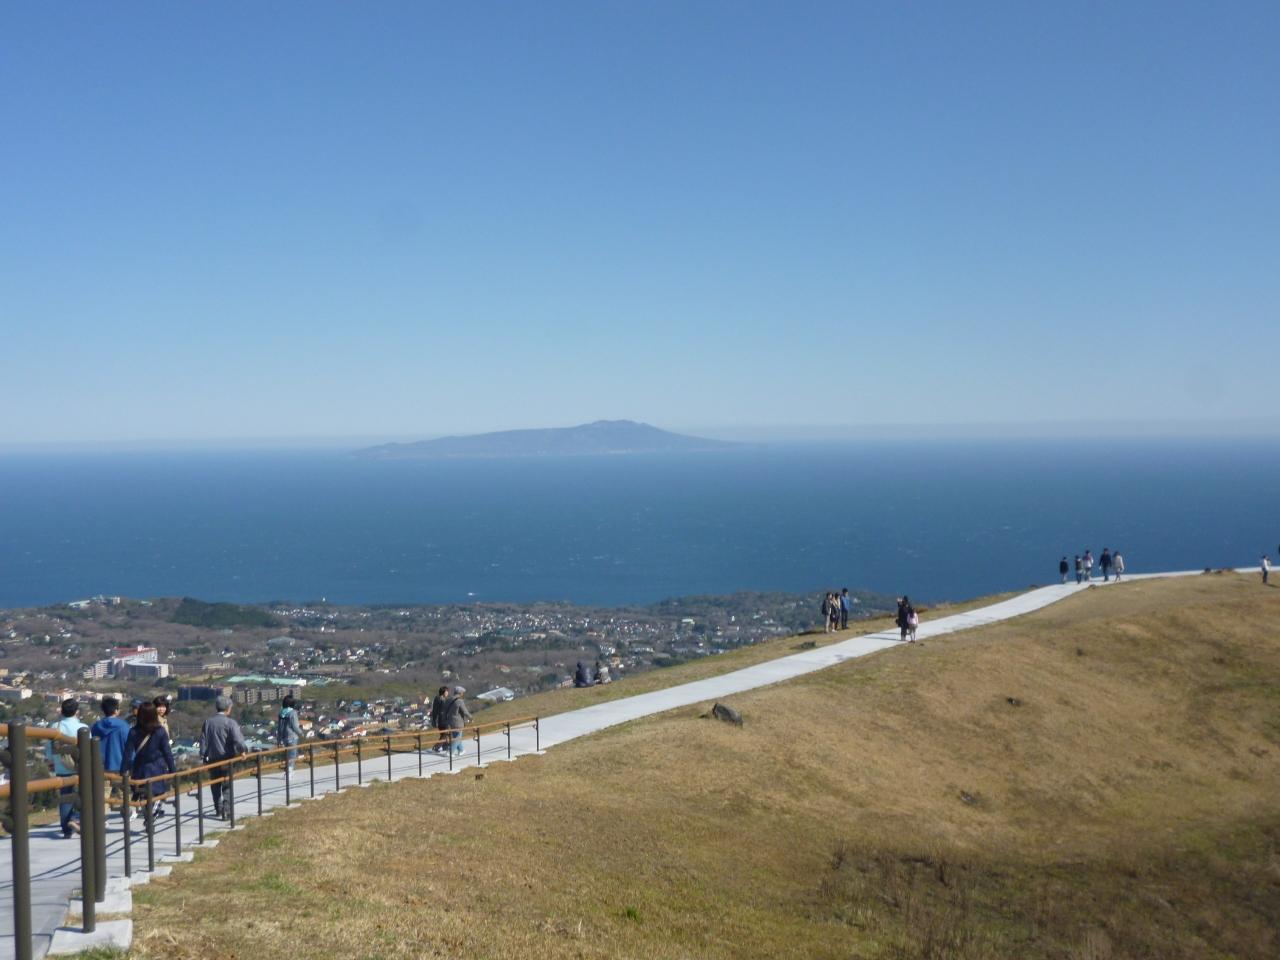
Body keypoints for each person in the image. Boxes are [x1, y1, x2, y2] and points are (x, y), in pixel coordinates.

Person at [122, 702, 176, 821]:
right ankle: (151, 815)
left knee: (143, 793)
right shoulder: (160, 731)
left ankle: (148, 815)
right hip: (157, 767)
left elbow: (127, 753)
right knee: (159, 793)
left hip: (140, 767)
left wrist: (123, 770)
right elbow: (167, 752)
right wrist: (173, 770)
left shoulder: (133, 731)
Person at [199, 695, 247, 819]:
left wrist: (203, 756)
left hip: (212, 759)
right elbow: (238, 740)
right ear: (228, 708)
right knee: (227, 785)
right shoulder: (230, 723)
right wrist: (242, 751)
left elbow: (203, 741)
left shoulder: (208, 722)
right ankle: (226, 810)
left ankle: (218, 808)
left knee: (215, 784)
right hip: (227, 758)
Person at [47, 699, 88, 838]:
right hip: (80, 767)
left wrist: (51, 761)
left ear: (62, 711)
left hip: (61, 766)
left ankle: (66, 829)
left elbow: (49, 748)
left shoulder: (54, 726)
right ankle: (75, 818)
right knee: (85, 794)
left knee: (65, 797)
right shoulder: (83, 727)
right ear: (77, 712)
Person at [91, 697, 131, 816]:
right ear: (116, 710)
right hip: (120, 764)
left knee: (103, 793)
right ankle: (127, 813)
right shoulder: (123, 726)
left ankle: (101, 817)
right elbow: (129, 746)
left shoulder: (96, 726)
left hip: (101, 765)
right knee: (124, 791)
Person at [276, 695, 303, 773]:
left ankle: (288, 770)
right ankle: (289, 772)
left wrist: (279, 739)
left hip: (283, 737)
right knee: (292, 755)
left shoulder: (281, 712)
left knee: (287, 756)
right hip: (292, 737)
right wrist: (301, 733)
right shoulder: (293, 713)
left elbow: (279, 727)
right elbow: (295, 726)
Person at [444, 686, 472, 756]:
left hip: (450, 721)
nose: (463, 694)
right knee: (458, 738)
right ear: (460, 693)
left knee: (456, 736)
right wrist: (471, 717)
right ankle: (450, 752)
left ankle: (461, 750)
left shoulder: (449, 699)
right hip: (458, 722)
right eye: (462, 693)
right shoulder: (459, 701)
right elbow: (465, 711)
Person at [428, 685, 451, 752]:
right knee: (445, 733)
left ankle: (445, 746)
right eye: (446, 691)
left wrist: (434, 720)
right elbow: (438, 710)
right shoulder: (441, 699)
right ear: (443, 692)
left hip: (440, 719)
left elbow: (435, 711)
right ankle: (436, 747)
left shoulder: (438, 698)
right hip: (443, 719)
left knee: (443, 734)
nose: (447, 693)